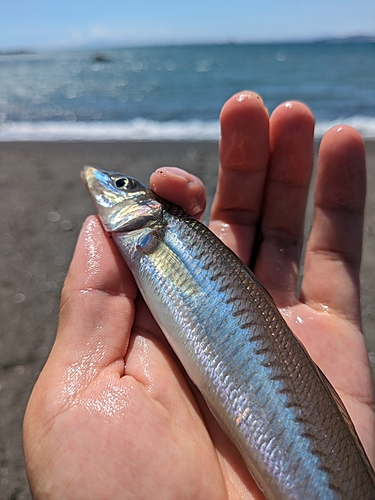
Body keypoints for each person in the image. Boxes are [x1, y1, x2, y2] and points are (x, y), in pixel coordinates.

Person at [23, 92, 374, 499]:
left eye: (120, 185)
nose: (101, 182)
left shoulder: (158, 231)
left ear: (145, 212)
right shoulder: (153, 236)